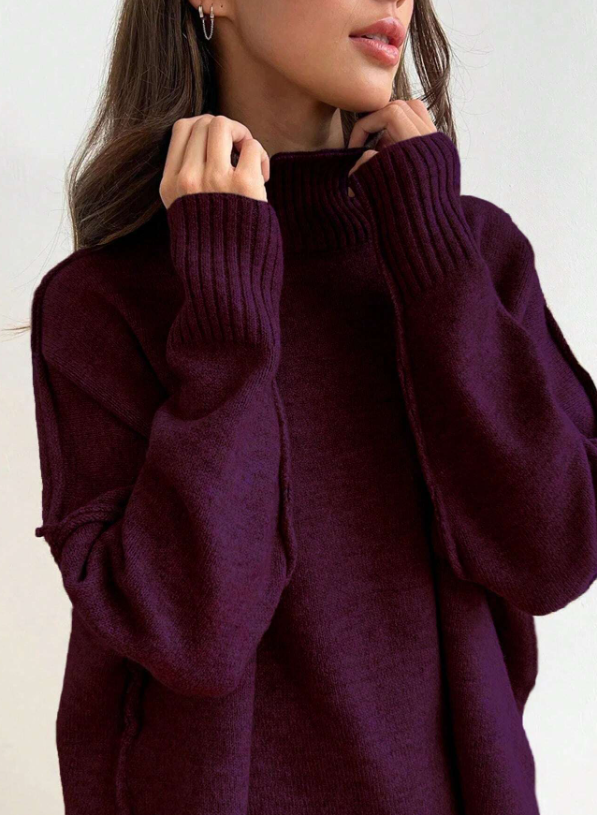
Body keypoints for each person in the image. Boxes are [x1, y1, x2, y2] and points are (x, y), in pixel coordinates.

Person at [29, 0, 597, 813]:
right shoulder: (106, 301)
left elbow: (552, 554)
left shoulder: (467, 255)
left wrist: (431, 250)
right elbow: (194, 633)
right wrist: (225, 307)